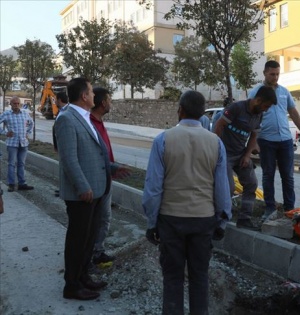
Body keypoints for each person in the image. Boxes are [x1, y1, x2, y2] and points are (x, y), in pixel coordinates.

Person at [142, 90, 231, 315]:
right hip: (203, 220)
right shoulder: (216, 143)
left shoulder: (163, 139)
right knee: (200, 277)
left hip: (171, 220)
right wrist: (222, 221)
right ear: (203, 113)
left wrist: (152, 222)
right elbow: (222, 189)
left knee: (172, 279)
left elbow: (153, 188)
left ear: (179, 110)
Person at [55, 77, 129, 301]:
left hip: (97, 190)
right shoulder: (67, 118)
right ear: (84, 96)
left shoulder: (85, 118)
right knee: (78, 240)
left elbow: (94, 153)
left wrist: (113, 166)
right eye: (91, 91)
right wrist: (83, 186)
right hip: (83, 194)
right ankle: (72, 286)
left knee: (88, 239)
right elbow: (68, 159)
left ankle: (83, 276)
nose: (95, 95)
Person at [248, 60, 300, 220]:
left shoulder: (284, 92)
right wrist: (252, 142)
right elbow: (251, 116)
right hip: (266, 140)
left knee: (288, 176)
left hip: (285, 140)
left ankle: (290, 209)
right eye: (272, 74)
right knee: (268, 174)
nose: (275, 77)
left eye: (277, 74)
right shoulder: (255, 92)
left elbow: (294, 112)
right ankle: (270, 208)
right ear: (264, 73)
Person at [214, 86, 277, 231]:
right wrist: (218, 151)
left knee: (251, 184)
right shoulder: (236, 108)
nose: (266, 110)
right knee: (227, 188)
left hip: (240, 153)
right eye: (265, 106)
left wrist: (247, 155)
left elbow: (254, 135)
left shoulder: (258, 115)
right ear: (258, 100)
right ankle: (220, 219)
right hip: (225, 155)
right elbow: (219, 126)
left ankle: (244, 219)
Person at [90, 87, 117, 267]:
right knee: (93, 219)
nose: (110, 103)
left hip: (107, 176)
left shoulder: (99, 121)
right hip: (94, 179)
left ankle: (98, 251)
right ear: (102, 103)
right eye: (109, 100)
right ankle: (88, 255)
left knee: (104, 217)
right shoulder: (88, 123)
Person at [0, 96, 34, 192]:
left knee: (21, 164)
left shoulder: (25, 113)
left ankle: (22, 183)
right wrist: (4, 132)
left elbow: (31, 123)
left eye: (18, 103)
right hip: (12, 143)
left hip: (23, 143)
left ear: (20, 104)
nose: (16, 105)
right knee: (11, 164)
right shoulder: (6, 114)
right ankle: (11, 184)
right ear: (10, 104)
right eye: (14, 103)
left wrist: (28, 133)